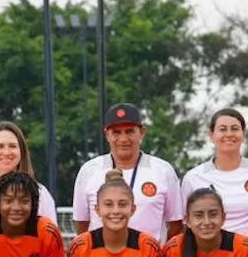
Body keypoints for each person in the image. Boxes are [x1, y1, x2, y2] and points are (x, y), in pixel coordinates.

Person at [73, 103, 184, 242]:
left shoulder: (163, 171)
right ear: (107, 135)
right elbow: (82, 223)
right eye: (116, 133)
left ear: (142, 132)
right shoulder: (89, 171)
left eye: (130, 131)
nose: (123, 139)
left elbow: (175, 223)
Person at [179, 109, 248, 235]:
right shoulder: (193, 177)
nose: (229, 134)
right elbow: (184, 224)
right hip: (209, 252)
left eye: (235, 129)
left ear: (243, 134)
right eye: (222, 129)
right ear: (211, 135)